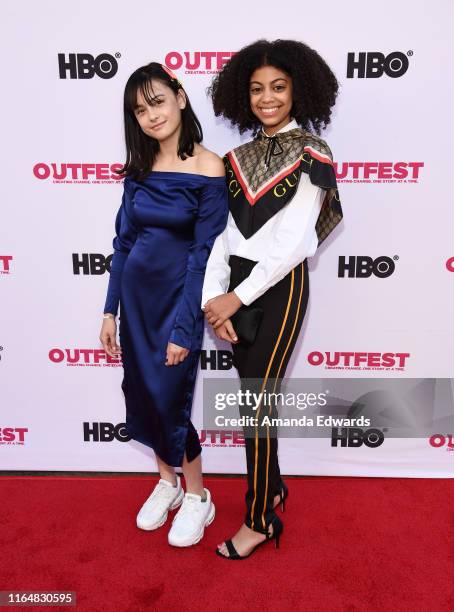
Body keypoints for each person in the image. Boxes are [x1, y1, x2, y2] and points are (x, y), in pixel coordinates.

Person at [202, 39, 343, 559]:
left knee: (257, 406)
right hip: (233, 290)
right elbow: (219, 235)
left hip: (278, 287)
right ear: (244, 95)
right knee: (252, 400)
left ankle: (260, 519)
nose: (267, 98)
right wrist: (214, 296)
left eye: (278, 87)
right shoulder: (233, 158)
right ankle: (274, 487)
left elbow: (292, 245)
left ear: (297, 90)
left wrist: (235, 298)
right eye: (257, 88)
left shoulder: (313, 152)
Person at [100, 62, 228, 547]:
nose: (151, 115)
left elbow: (205, 256)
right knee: (143, 394)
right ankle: (167, 483)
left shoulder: (210, 167)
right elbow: (123, 244)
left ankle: (198, 496)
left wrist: (184, 327)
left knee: (171, 401)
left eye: (156, 101)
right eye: (139, 110)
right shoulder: (138, 169)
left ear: (180, 96)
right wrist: (109, 310)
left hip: (179, 301)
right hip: (135, 302)